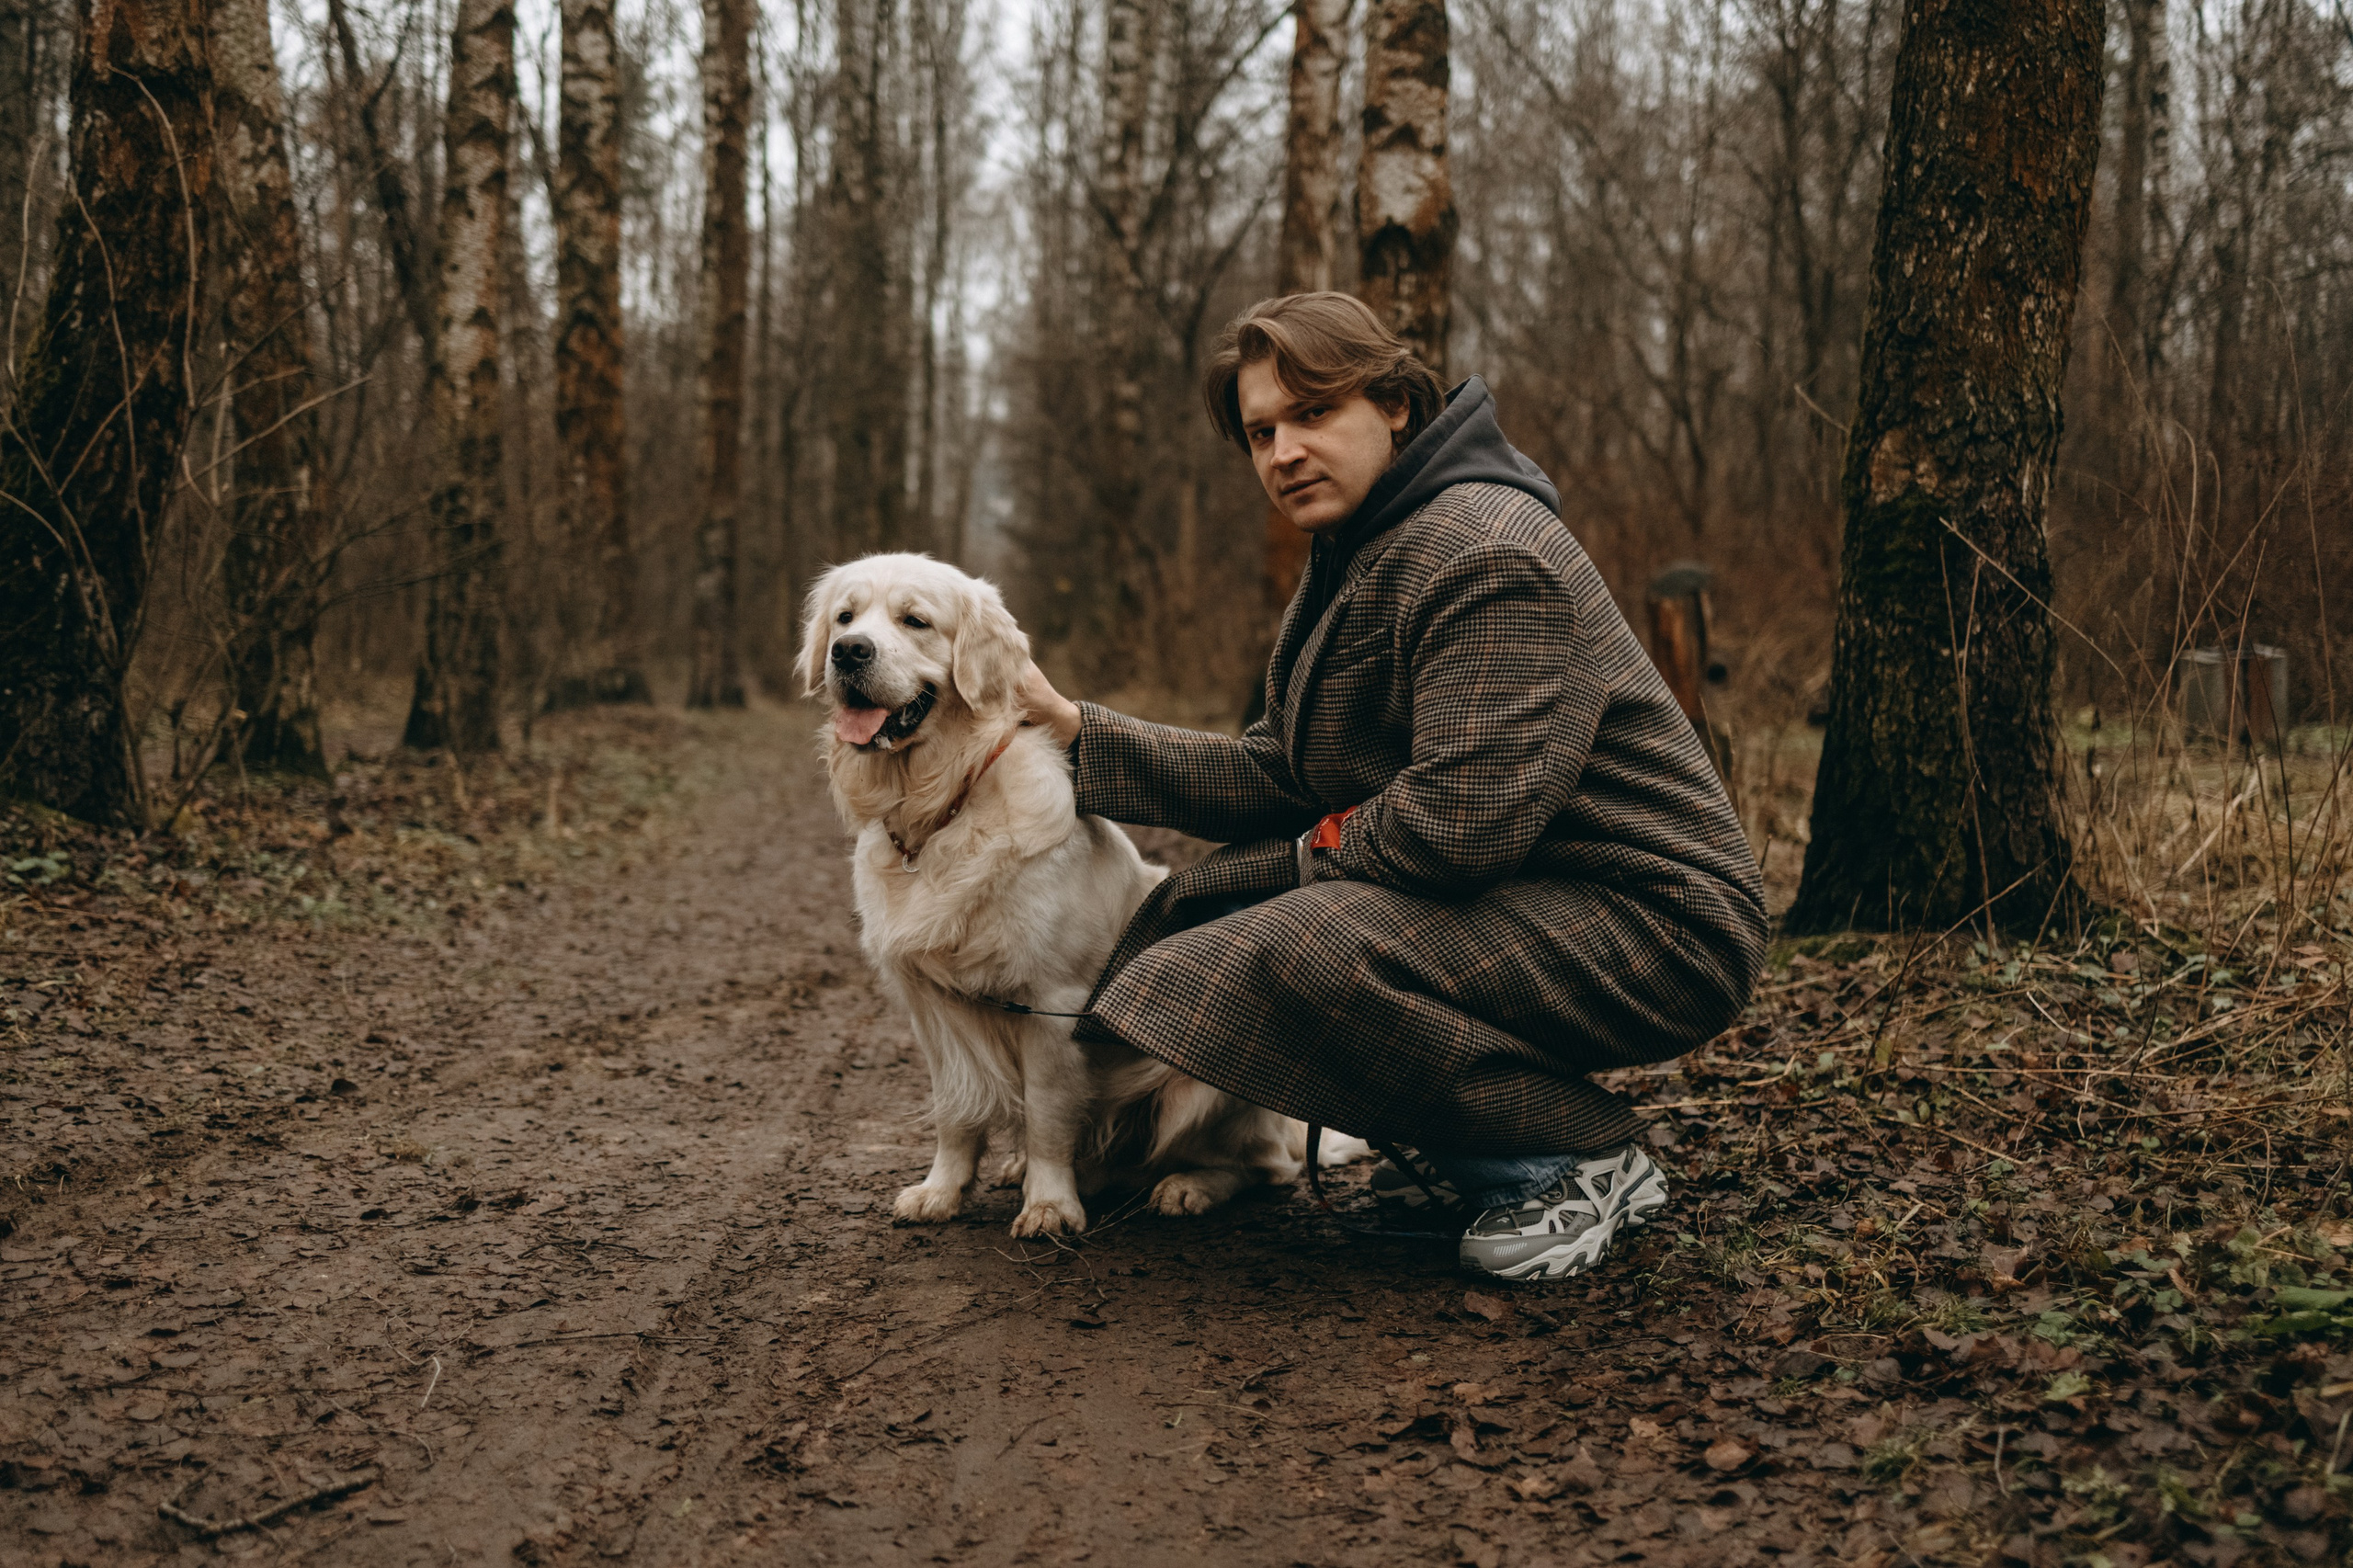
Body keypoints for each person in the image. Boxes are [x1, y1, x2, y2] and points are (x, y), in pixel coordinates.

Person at [1018, 293, 1768, 1280]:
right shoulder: (1364, 543)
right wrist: (1077, 732)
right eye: (1261, 433)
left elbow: (1458, 827)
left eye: (1313, 414)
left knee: (1294, 946)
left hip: (1653, 921)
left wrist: (1291, 866)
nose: (1284, 452)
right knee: (1220, 922)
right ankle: (1474, 1152)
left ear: (1396, 404)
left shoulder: (1486, 549)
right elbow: (1284, 770)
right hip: (1532, 896)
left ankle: (1571, 1160)